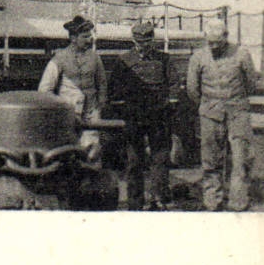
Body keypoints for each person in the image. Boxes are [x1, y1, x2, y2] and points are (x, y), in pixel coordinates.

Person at [186, 19, 257, 211]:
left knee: (241, 159)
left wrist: (235, 100)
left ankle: (238, 202)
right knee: (210, 161)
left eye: (218, 42)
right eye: (210, 43)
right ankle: (212, 201)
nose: (214, 46)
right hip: (210, 114)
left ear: (226, 37)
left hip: (238, 113)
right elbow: (192, 89)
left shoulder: (242, 54)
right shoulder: (198, 57)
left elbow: (251, 82)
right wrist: (209, 105)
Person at [114, 20, 173, 210]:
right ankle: (135, 202)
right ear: (133, 41)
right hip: (134, 117)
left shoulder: (164, 59)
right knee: (134, 161)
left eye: (147, 41)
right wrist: (126, 108)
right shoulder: (124, 61)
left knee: (160, 159)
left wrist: (167, 102)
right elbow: (115, 89)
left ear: (153, 40)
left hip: (158, 117)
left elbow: (173, 84)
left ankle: (159, 199)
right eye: (140, 42)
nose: (144, 46)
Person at [39, 15, 107, 156]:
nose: (90, 40)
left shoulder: (95, 57)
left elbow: (101, 82)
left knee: (92, 150)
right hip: (68, 113)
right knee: (68, 150)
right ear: (73, 38)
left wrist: (100, 104)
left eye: (90, 36)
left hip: (91, 113)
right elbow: (45, 90)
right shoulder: (59, 58)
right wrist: (60, 108)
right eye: (85, 37)